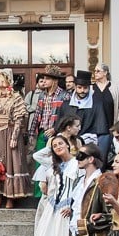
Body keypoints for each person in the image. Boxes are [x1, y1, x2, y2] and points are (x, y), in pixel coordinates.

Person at [26, 135, 80, 236]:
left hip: (67, 209)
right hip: (52, 209)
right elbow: (38, 156)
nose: (58, 147)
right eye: (55, 145)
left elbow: (81, 188)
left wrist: (73, 206)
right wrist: (52, 147)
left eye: (61, 143)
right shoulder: (53, 165)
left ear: (68, 144)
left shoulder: (77, 163)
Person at [0, 68, 30, 209]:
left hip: (9, 131)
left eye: (0, 77)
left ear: (7, 79)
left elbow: (19, 118)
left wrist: (15, 136)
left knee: (11, 163)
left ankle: (10, 197)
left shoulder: (16, 97)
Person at [28, 66, 68, 197]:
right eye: (43, 78)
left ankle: (54, 192)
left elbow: (66, 117)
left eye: (47, 78)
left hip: (56, 135)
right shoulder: (42, 96)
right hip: (42, 133)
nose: (44, 81)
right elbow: (37, 116)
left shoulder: (64, 95)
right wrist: (32, 134)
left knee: (54, 163)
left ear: (55, 80)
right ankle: (40, 195)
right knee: (40, 163)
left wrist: (56, 129)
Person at [57, 70, 112, 157]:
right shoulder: (66, 105)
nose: (82, 91)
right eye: (79, 88)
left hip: (89, 146)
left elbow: (102, 131)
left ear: (89, 88)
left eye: (85, 88)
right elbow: (59, 128)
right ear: (75, 87)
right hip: (67, 146)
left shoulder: (97, 104)